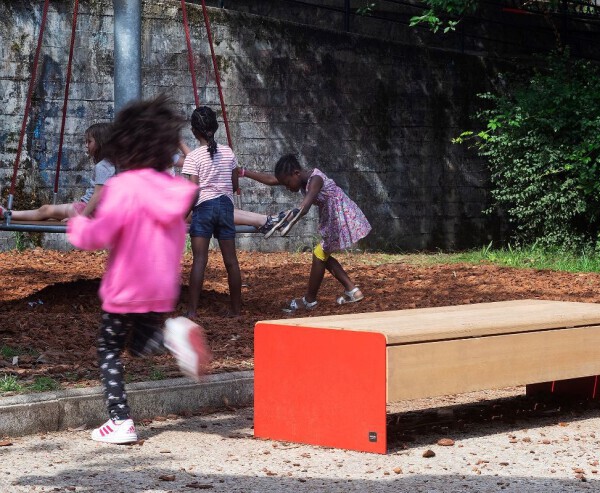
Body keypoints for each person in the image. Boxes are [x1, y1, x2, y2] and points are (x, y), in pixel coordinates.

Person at [66, 95, 210, 444]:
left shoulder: (123, 187)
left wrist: (77, 224)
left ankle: (120, 421)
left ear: (124, 145)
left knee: (109, 349)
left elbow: (98, 235)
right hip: (161, 288)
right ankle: (173, 336)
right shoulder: (174, 190)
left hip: (126, 286)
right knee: (141, 344)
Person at [242, 154, 371, 311]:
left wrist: (281, 220)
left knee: (319, 254)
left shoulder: (316, 179)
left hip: (340, 217)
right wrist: (243, 172)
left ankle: (309, 300)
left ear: (296, 173)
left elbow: (304, 207)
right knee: (322, 254)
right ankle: (352, 290)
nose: (287, 188)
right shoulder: (299, 178)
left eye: (287, 183)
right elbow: (271, 179)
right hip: (333, 217)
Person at [181, 106, 242, 318]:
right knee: (231, 261)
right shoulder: (228, 152)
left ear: (193, 131)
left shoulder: (193, 157)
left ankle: (192, 311)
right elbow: (234, 184)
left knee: (200, 259)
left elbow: (193, 192)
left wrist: (183, 214)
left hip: (204, 208)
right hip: (225, 206)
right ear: (215, 128)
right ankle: (236, 310)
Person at [1, 123, 114, 221]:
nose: (86, 145)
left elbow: (97, 195)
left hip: (86, 211)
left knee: (45, 210)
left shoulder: (102, 166)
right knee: (47, 211)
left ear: (101, 143)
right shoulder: (112, 164)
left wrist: (81, 219)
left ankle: (7, 214)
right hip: (94, 211)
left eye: (89, 142)